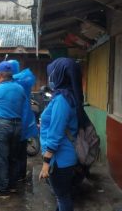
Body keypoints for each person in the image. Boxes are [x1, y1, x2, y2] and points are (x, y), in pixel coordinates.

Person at [39, 58, 79, 211]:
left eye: (52, 75)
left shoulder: (62, 99)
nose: (50, 79)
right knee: (62, 196)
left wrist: (45, 163)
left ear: (59, 76)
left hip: (60, 159)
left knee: (62, 197)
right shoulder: (67, 95)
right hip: (64, 157)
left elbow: (56, 134)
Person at [0, 60, 26, 199]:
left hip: (2, 125)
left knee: (0, 158)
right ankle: (12, 186)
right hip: (18, 126)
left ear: (1, 75)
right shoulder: (20, 88)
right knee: (13, 157)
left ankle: (2, 190)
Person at [8, 60, 39, 183]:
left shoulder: (14, 81)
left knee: (13, 150)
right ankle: (21, 174)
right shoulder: (24, 79)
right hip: (25, 118)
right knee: (21, 149)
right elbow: (29, 76)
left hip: (15, 118)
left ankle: (14, 175)